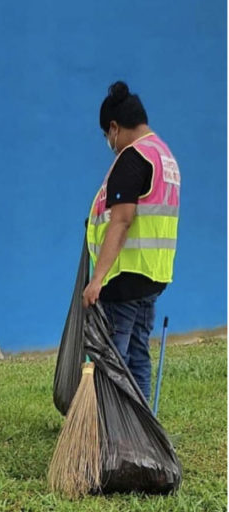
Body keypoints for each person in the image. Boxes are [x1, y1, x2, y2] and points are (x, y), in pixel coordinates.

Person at [83, 81, 180, 400]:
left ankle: (110, 432)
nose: (109, 143)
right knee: (138, 355)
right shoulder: (165, 157)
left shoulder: (132, 157)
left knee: (113, 358)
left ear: (114, 126)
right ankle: (140, 430)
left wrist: (97, 279)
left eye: (106, 135)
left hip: (124, 278)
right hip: (153, 276)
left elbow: (121, 221)